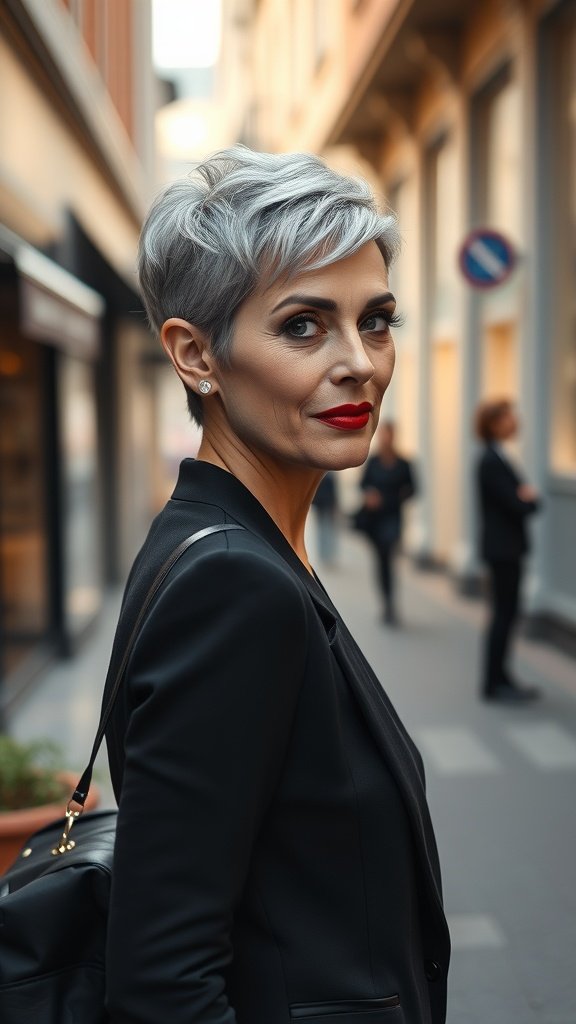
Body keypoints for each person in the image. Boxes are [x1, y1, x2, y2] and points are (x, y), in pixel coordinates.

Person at [101, 147, 450, 1024]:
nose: (360, 362)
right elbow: (163, 986)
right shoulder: (233, 585)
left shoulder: (238, 546)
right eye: (303, 326)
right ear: (195, 354)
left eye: (376, 321)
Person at [475, 398, 541, 703]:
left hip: (505, 549)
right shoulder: (491, 460)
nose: (516, 422)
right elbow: (519, 504)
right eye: (509, 417)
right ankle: (495, 682)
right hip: (503, 550)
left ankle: (500, 677)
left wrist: (527, 498)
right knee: (504, 614)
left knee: (505, 613)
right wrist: (527, 498)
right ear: (494, 423)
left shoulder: (498, 457)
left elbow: (527, 501)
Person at [357, 421, 416, 624]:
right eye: (383, 434)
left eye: (389, 434)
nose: (386, 438)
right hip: (374, 520)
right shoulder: (372, 461)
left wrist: (395, 498)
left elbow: (413, 489)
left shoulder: (404, 464)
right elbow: (362, 484)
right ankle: (386, 600)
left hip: (393, 517)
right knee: (381, 560)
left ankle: (391, 602)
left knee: (388, 555)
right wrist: (370, 494)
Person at [311, 470, 339, 566]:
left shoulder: (323, 473)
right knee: (325, 530)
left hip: (325, 505)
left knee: (326, 529)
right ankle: (325, 554)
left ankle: (327, 554)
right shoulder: (325, 474)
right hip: (323, 505)